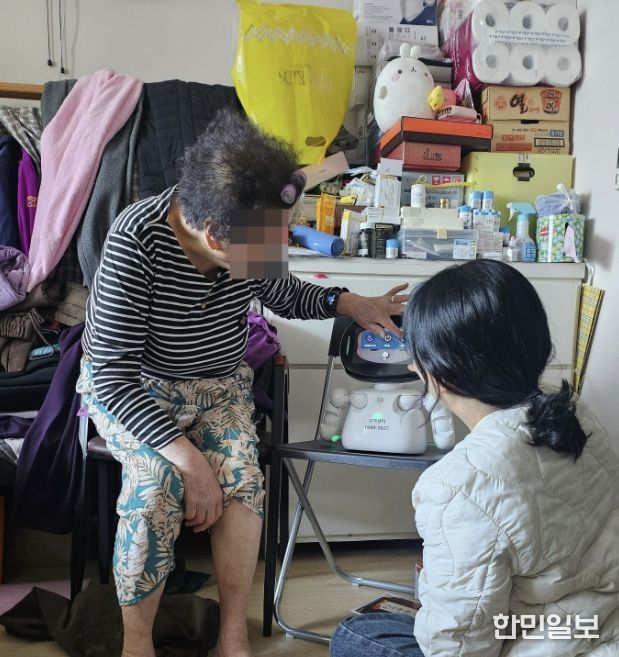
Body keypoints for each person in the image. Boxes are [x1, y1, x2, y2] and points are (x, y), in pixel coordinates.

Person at [77, 108, 409, 657]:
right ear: (213, 235)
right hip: (137, 389)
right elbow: (112, 377)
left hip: (219, 387)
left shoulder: (251, 236)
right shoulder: (135, 242)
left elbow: (283, 292)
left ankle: (232, 633)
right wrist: (190, 462)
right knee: (155, 487)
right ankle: (136, 644)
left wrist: (347, 302)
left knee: (244, 482)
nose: (275, 254)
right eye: (267, 245)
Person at [331, 259, 619, 657]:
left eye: (415, 354)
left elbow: (460, 646)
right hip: (597, 619)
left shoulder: (458, 484)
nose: (412, 364)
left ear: (438, 371)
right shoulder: (573, 412)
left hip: (544, 642)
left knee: (356, 635)